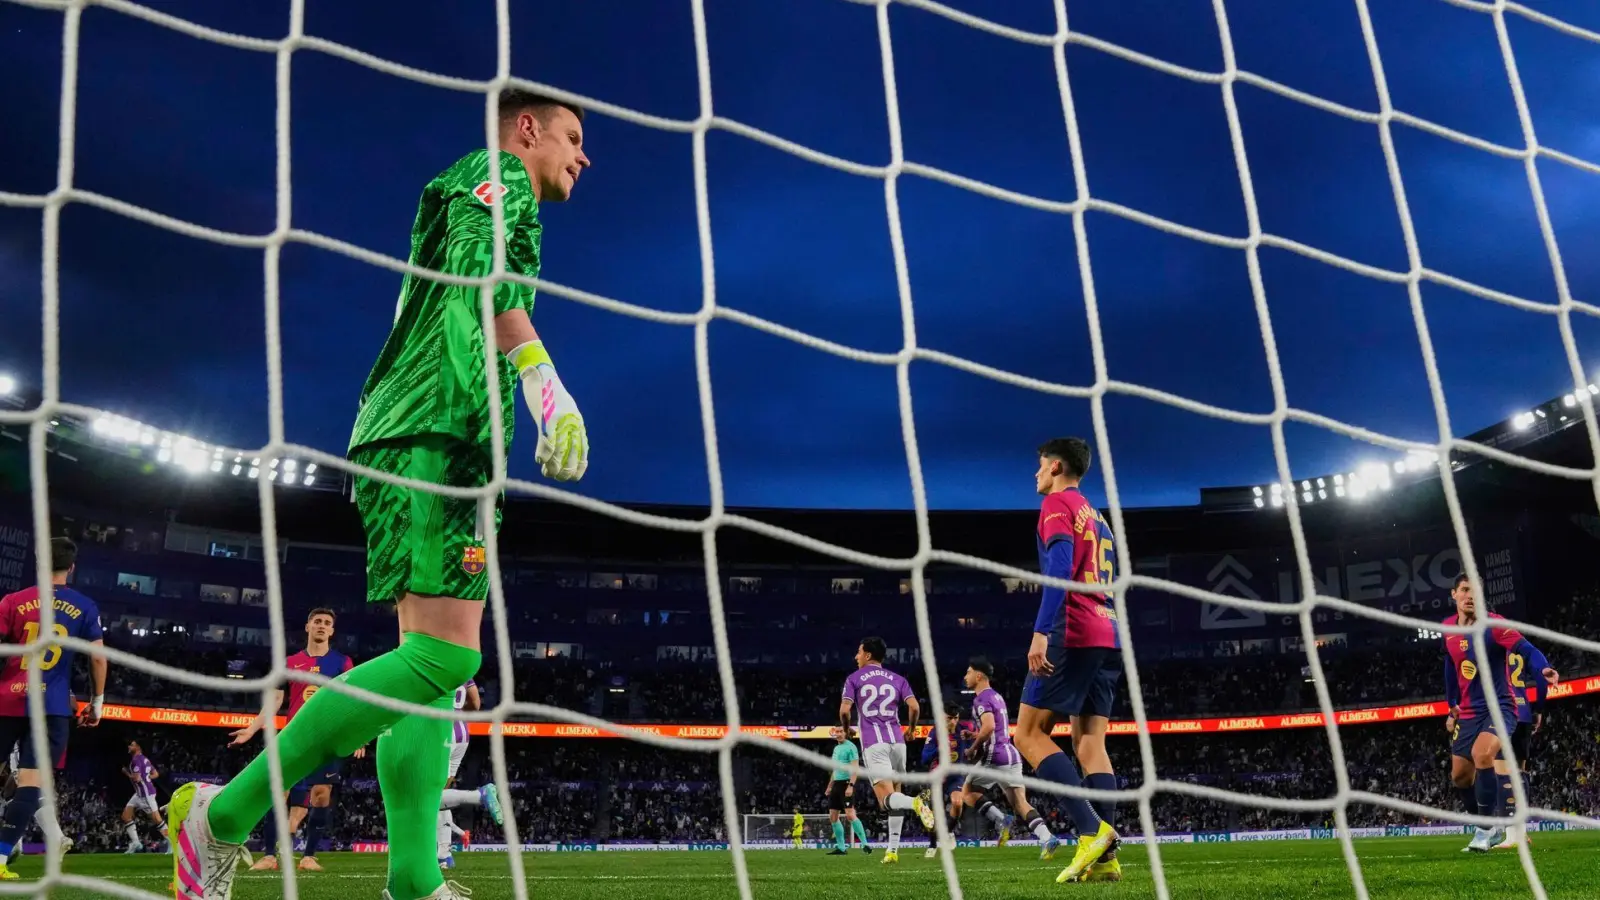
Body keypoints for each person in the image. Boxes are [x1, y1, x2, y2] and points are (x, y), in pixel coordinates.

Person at [169, 88, 592, 900]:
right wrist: (545, 383)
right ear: (527, 128)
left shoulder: (474, 189)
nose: (584, 156)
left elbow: (474, 293)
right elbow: (484, 278)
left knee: (430, 681)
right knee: (448, 658)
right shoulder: (497, 175)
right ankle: (222, 816)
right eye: (572, 137)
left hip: (434, 429)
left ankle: (412, 877)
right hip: (437, 426)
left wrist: (525, 391)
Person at [1011, 438, 1122, 884]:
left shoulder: (1057, 503)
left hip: (1071, 631)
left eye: (1039, 466)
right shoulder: (1098, 516)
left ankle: (1090, 830)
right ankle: (1106, 859)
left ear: (1056, 466)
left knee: (1028, 733)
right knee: (1090, 743)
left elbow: (1057, 571)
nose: (1035, 474)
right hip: (1108, 632)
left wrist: (1041, 633)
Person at [0, 537, 106, 880]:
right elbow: (98, 657)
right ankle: (0, 859)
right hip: (51, 706)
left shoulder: (12, 601)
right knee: (32, 783)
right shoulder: (85, 606)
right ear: (71, 567)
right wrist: (97, 701)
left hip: (7, 700)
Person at [234, 608, 362, 873]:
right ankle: (269, 855)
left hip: (327, 738)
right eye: (317, 621)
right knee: (279, 794)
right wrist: (252, 728)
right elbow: (275, 700)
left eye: (327, 623)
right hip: (294, 737)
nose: (322, 626)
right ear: (307, 627)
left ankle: (309, 856)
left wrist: (357, 735)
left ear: (332, 631)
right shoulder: (290, 663)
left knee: (320, 794)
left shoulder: (342, 662)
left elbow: (351, 701)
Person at [1441, 574, 1557, 852]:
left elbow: (1527, 650)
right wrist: (1451, 704)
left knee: (1484, 755)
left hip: (1502, 707)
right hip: (1467, 712)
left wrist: (1543, 668)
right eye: (1465, 590)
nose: (1470, 595)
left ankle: (1485, 832)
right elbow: (1449, 662)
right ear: (1454, 594)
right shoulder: (1446, 628)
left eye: (1476, 591)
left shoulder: (1495, 625)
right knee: (1459, 776)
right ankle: (1488, 825)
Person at [839, 636, 933, 865]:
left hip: (874, 743)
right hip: (898, 743)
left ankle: (915, 803)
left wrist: (847, 729)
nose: (856, 657)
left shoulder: (854, 678)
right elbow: (914, 706)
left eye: (859, 652)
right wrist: (911, 729)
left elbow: (844, 710)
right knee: (895, 796)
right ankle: (892, 851)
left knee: (887, 800)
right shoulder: (898, 679)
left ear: (868, 655)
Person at [959, 657, 1060, 860]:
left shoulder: (981, 699)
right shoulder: (996, 696)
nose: (965, 676)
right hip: (1010, 754)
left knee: (967, 793)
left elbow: (988, 728)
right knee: (1020, 803)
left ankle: (1001, 819)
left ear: (979, 675)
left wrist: (972, 748)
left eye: (969, 672)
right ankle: (1047, 837)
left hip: (994, 755)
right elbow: (993, 727)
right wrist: (974, 734)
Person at [1494, 637, 1554, 850]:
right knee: (1520, 773)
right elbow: (1541, 676)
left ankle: (1512, 835)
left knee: (1503, 774)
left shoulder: (1489, 646)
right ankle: (1522, 832)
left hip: (1503, 713)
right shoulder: (1522, 649)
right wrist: (1538, 709)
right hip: (1524, 713)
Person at [920, 705, 967, 858]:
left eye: (956, 718)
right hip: (937, 777)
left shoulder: (963, 731)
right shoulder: (934, 733)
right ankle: (932, 845)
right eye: (949, 718)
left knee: (958, 803)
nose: (953, 722)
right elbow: (924, 758)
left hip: (955, 776)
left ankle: (948, 832)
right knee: (934, 814)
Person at [824, 726, 870, 855]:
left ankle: (865, 844)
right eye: (836, 732)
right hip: (836, 785)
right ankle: (841, 848)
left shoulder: (851, 747)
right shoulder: (836, 748)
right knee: (833, 817)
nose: (838, 734)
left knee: (850, 814)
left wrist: (851, 785)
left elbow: (855, 768)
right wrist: (829, 786)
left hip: (846, 784)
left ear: (846, 733)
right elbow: (835, 769)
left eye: (840, 732)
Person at [120, 741, 166, 852]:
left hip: (145, 795)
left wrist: (126, 772)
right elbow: (155, 774)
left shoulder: (136, 761)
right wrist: (147, 777)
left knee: (158, 820)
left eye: (131, 745)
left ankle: (171, 843)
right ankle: (136, 843)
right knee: (126, 817)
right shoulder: (145, 759)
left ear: (138, 747)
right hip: (139, 793)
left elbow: (136, 778)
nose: (129, 746)